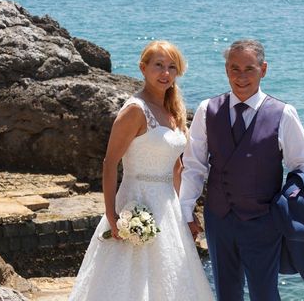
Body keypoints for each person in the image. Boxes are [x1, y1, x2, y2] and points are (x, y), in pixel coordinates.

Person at [69, 40, 214, 301]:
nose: (165, 73)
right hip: (136, 202)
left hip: (168, 208)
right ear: (143, 68)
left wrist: (187, 214)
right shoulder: (135, 110)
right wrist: (112, 216)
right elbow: (109, 163)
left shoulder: (173, 110)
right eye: (158, 65)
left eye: (171, 67)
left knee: (172, 279)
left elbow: (177, 168)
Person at [180, 39, 304, 301]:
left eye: (249, 69)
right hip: (218, 219)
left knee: (264, 293)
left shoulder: (283, 113)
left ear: (263, 70)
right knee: (226, 292)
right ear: (226, 70)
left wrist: (288, 203)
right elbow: (194, 165)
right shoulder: (206, 110)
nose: (241, 77)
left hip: (263, 221)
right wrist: (186, 209)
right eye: (234, 68)